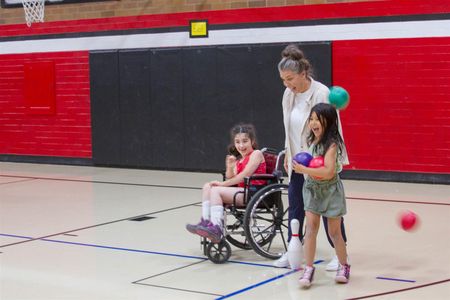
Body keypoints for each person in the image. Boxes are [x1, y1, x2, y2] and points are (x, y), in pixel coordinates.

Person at [274, 44, 349, 270]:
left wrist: (331, 162)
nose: (287, 84)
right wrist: (289, 151)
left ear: (303, 73)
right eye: (283, 80)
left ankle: (339, 254)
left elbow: (332, 130)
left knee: (327, 209)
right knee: (296, 207)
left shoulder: (321, 93)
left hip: (318, 161)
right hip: (298, 161)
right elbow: (288, 128)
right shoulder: (288, 95)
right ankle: (293, 250)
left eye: (290, 79)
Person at [293, 103, 350, 287]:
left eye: (318, 119)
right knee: (310, 229)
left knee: (335, 233)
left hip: (330, 191)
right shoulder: (311, 140)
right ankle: (308, 268)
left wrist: (304, 169)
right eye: (311, 119)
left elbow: (328, 171)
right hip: (312, 189)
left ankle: (344, 265)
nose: (313, 123)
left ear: (330, 122)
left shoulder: (332, 145)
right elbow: (307, 160)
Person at [186, 123, 267, 243]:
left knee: (216, 190)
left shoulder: (256, 154)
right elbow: (231, 176)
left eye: (245, 141)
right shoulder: (240, 160)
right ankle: (206, 222)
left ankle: (216, 228)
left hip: (254, 192)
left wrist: (222, 184)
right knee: (208, 186)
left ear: (252, 141)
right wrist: (229, 166)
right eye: (237, 142)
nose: (241, 145)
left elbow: (244, 176)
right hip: (242, 192)